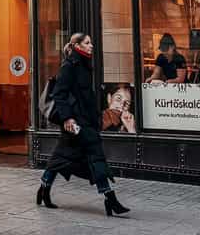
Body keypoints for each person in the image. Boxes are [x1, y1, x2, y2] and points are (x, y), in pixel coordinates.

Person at [36, 33, 130, 217]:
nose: (91, 45)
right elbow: (59, 95)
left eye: (91, 42)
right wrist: (67, 119)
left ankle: (45, 189)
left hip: (86, 122)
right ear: (77, 45)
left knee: (74, 158)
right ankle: (110, 199)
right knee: (82, 157)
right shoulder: (69, 67)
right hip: (75, 124)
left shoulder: (86, 66)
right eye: (87, 42)